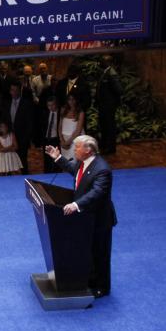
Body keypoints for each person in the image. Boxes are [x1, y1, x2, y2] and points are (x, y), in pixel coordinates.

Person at [46, 136, 117, 297]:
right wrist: (58, 157)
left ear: (88, 150)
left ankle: (102, 287)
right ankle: (89, 280)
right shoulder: (82, 162)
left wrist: (76, 205)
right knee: (88, 250)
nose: (74, 150)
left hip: (99, 219)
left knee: (100, 253)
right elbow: (75, 171)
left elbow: (97, 192)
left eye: (77, 147)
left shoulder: (102, 169)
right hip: (86, 218)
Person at [59, 93, 86, 160]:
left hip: (75, 140)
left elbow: (78, 131)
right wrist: (62, 141)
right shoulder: (63, 110)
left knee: (75, 162)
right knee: (65, 163)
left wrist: (68, 143)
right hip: (64, 140)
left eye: (73, 99)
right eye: (69, 99)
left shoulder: (80, 112)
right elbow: (60, 127)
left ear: (76, 100)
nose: (71, 102)